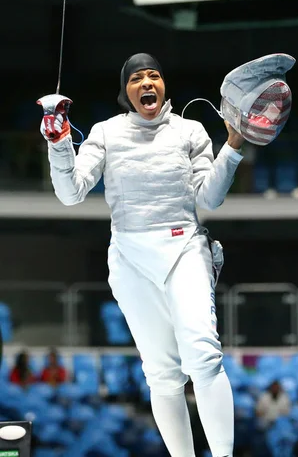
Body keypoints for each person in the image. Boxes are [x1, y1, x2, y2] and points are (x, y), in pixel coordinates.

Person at [40, 53, 245, 457]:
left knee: (203, 355)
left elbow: (210, 197)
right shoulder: (105, 132)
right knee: (163, 375)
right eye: (137, 78)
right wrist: (60, 141)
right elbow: (70, 193)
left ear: (163, 85)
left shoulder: (191, 130)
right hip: (131, 258)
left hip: (184, 247)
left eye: (154, 75)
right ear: (126, 91)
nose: (147, 82)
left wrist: (234, 146)